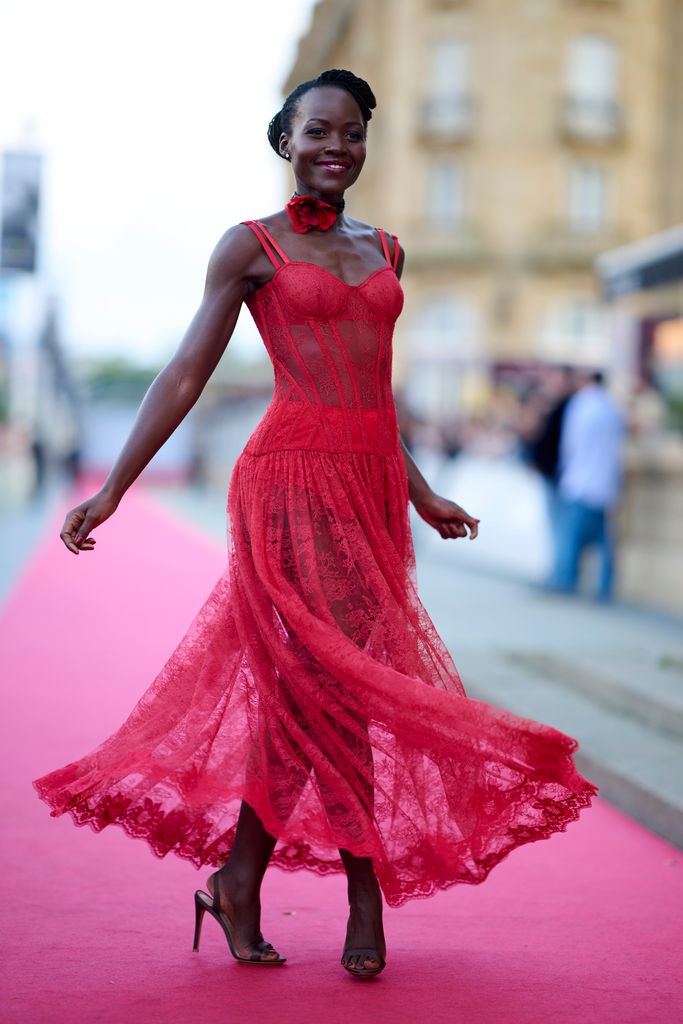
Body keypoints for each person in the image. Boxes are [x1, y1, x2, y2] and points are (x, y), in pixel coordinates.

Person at [33, 69, 597, 979]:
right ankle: (362, 894)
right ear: (284, 142)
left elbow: (370, 392)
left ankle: (236, 882)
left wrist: (419, 491)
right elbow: (185, 373)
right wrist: (115, 490)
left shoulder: (390, 249)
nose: (337, 147)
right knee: (338, 688)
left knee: (324, 693)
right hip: (289, 484)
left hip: (370, 489)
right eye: (318, 132)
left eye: (353, 133)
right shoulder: (248, 245)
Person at [555, 370, 626, 600]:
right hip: (605, 483)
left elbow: (571, 443)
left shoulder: (581, 405)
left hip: (580, 480)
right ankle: (605, 587)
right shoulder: (612, 408)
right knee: (604, 541)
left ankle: (567, 582)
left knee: (572, 537)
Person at [526, 365, 576, 586]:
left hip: (559, 476)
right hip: (553, 473)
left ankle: (562, 577)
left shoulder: (568, 407)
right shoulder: (555, 406)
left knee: (561, 528)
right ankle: (559, 574)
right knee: (556, 528)